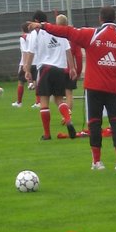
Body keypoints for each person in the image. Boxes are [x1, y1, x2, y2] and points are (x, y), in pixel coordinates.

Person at [29, 6, 116, 170]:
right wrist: (112, 65)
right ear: (114, 19)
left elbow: (68, 32)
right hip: (113, 87)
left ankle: (97, 162)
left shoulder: (91, 34)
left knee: (94, 123)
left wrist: (43, 26)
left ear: (100, 19)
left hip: (93, 87)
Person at [24, 11, 77, 140]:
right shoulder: (58, 30)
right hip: (60, 69)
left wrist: (27, 69)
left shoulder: (35, 33)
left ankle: (47, 134)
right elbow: (68, 50)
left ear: (36, 20)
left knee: (44, 102)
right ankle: (68, 119)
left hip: (45, 68)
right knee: (59, 100)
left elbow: (30, 52)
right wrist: (72, 68)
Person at [56, 14, 83, 111]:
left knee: (57, 96)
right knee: (69, 93)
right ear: (66, 23)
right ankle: (68, 115)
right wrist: (78, 71)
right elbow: (79, 56)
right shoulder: (73, 36)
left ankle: (65, 115)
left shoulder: (54, 35)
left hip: (58, 69)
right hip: (70, 70)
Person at [12, 23, 39, 108]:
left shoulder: (23, 37)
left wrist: (25, 64)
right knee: (36, 81)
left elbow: (24, 51)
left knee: (20, 82)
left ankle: (19, 102)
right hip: (36, 61)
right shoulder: (35, 36)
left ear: (23, 30)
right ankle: (38, 102)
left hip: (27, 62)